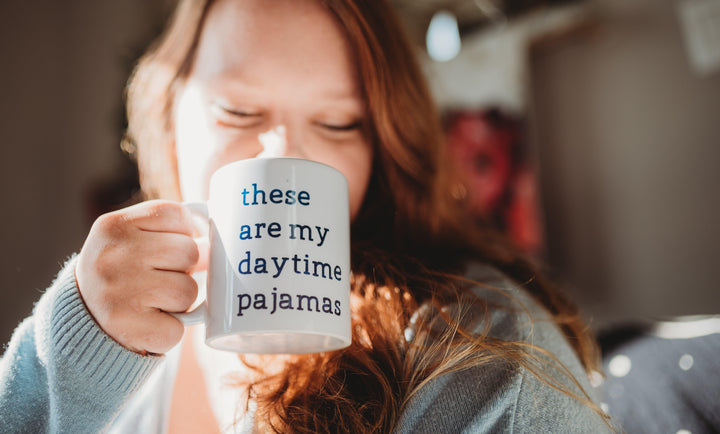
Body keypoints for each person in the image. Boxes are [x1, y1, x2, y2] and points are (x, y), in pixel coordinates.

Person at [0, 0, 614, 432]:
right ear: (168, 119)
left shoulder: (476, 354)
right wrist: (74, 349)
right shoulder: (118, 341)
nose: (283, 152)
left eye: (339, 123)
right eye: (237, 112)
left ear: (383, 146)